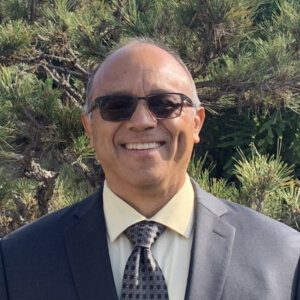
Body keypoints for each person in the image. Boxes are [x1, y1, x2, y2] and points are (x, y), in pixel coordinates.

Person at [0, 38, 299, 300]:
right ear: (89, 129)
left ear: (196, 123)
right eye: (116, 106)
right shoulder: (17, 263)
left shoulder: (285, 258)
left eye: (165, 104)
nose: (142, 120)